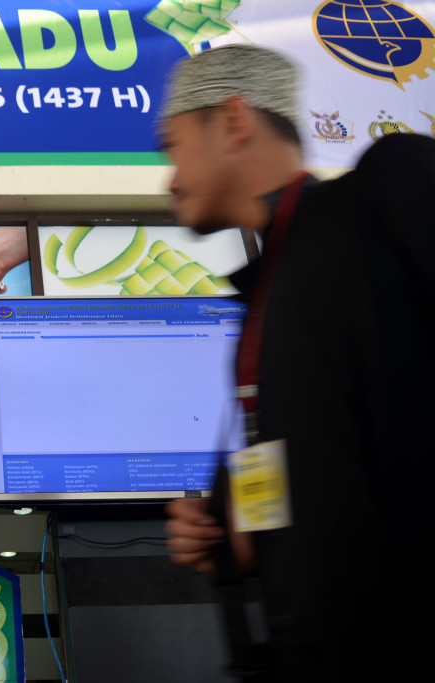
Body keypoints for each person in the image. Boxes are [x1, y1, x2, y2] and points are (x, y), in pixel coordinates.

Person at [159, 44, 435, 681]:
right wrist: (231, 530)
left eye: (172, 148)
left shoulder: (383, 195)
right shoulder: (268, 288)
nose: (170, 179)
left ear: (233, 121)